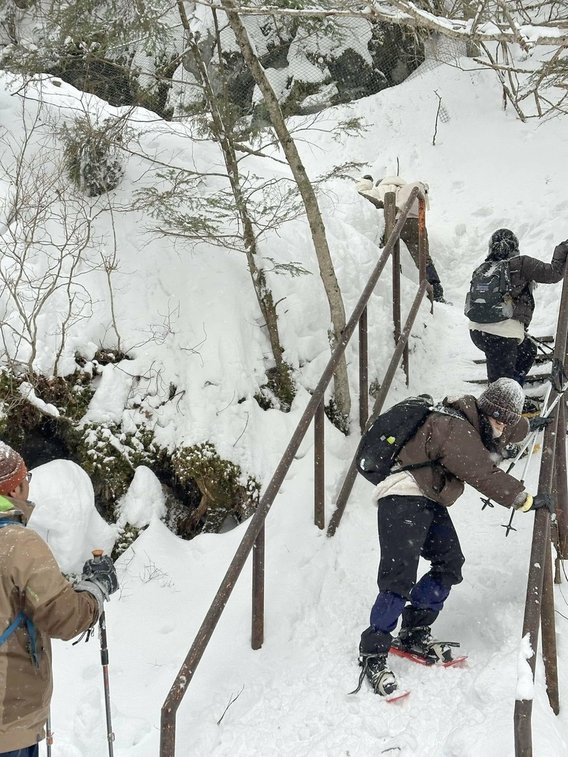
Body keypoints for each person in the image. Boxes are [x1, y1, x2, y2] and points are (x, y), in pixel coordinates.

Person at [356, 378, 554, 697]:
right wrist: (526, 500)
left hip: (425, 496)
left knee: (449, 563)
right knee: (398, 577)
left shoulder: (476, 423)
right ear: (490, 414)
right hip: (402, 495)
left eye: (507, 424)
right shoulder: (455, 428)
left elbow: (501, 431)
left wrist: (529, 425)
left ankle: (414, 630)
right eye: (502, 423)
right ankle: (373, 652)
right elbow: (482, 473)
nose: (503, 432)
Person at [0, 442, 119, 756]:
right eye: (25, 481)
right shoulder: (17, 543)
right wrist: (96, 588)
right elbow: (63, 616)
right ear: (13, 490)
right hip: (8, 722)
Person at [467, 229, 568, 393]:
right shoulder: (521, 264)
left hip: (478, 332)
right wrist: (563, 248)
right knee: (500, 388)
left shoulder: (483, 268)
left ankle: (514, 395)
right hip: (502, 336)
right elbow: (553, 274)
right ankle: (502, 407)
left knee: (527, 350)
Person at [356, 174, 446, 302]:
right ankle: (436, 292)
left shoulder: (380, 189)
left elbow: (361, 193)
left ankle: (400, 288)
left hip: (395, 221)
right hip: (416, 222)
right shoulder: (405, 188)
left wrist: (366, 182)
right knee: (423, 259)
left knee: (391, 255)